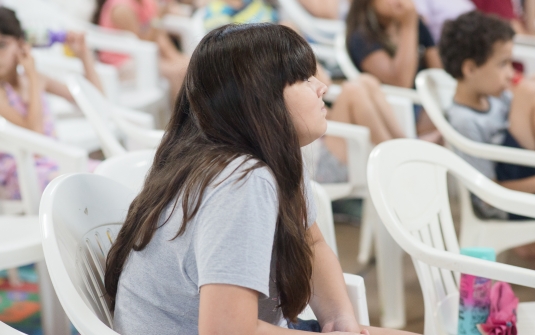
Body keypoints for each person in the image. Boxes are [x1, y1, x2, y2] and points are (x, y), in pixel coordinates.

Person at [104, 23, 418, 335]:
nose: (322, 86)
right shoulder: (241, 182)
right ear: (261, 99)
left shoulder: (265, 158)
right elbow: (227, 331)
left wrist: (340, 320)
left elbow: (312, 241)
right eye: (304, 78)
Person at [440, 11, 535, 256]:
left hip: (517, 170)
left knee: (527, 90)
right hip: (500, 196)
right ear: (470, 68)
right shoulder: (464, 120)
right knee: (527, 92)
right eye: (502, 64)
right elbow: (487, 194)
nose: (508, 73)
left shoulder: (496, 98)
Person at [0, 7, 102, 200]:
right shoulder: (6, 90)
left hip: (53, 161)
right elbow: (36, 137)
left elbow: (93, 101)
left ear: (22, 45)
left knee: (104, 173)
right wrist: (31, 74)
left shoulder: (35, 79)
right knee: (81, 186)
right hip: (21, 173)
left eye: (2, 45)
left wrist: (84, 55)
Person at [93, 0, 189, 98]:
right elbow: (141, 44)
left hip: (145, 55)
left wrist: (175, 57)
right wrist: (158, 18)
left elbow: (159, 36)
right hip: (122, 62)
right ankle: (180, 113)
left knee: (187, 66)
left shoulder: (147, 2)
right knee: (177, 73)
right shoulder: (121, 8)